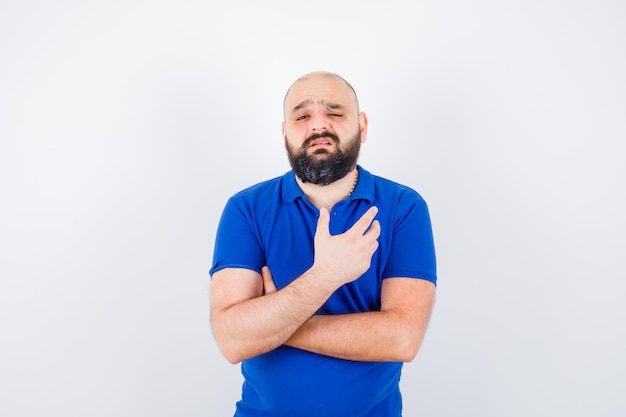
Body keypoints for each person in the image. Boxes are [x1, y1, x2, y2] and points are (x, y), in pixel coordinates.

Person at [209, 71, 437, 417]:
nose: (319, 126)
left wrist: (274, 323)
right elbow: (232, 340)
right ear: (285, 133)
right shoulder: (246, 209)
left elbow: (402, 338)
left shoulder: (404, 207)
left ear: (362, 126)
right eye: (302, 116)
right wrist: (326, 276)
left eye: (334, 113)